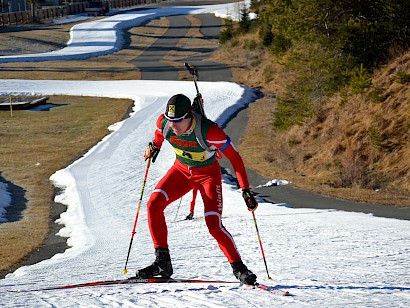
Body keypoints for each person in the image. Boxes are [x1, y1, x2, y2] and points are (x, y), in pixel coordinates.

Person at [135, 94, 259, 285]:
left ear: (189, 116)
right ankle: (162, 264)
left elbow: (235, 158)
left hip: (208, 176)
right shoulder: (164, 123)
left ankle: (240, 269)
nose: (173, 125)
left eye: (178, 121)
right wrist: (155, 146)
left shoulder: (210, 132)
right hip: (181, 172)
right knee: (153, 205)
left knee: (213, 224)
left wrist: (245, 190)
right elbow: (160, 133)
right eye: (170, 120)